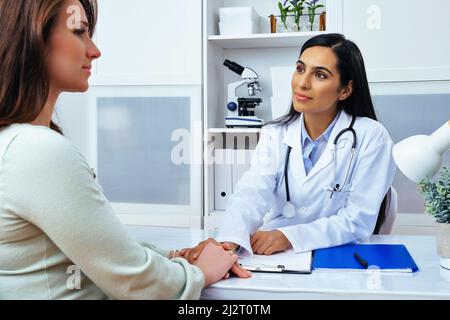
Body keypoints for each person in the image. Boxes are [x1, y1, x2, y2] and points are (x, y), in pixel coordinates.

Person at [0, 0, 238, 300]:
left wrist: (175, 255)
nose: (94, 50)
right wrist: (200, 272)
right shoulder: (37, 150)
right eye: (79, 32)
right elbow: (136, 284)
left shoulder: (17, 143)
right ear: (32, 37)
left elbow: (98, 251)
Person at [181, 33, 396, 263]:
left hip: (338, 254)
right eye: (300, 69)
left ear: (345, 90)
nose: (302, 83)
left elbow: (357, 220)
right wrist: (228, 240)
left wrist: (288, 236)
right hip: (274, 253)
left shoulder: (371, 136)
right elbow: (251, 192)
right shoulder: (275, 132)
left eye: (320, 75)